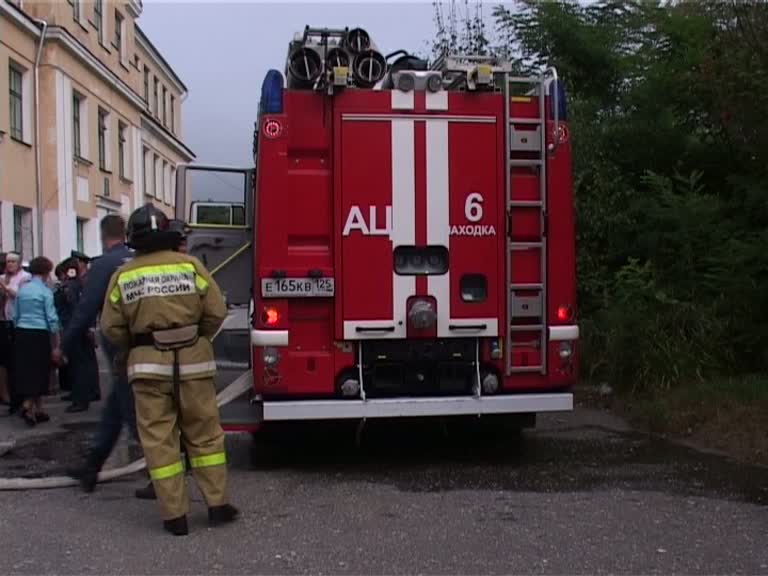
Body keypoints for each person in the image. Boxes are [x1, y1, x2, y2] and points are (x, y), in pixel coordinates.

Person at [101, 204, 237, 536]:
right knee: (205, 435)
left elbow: (111, 327)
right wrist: (197, 338)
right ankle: (217, 505)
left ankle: (175, 517)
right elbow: (216, 311)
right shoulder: (190, 266)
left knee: (159, 441)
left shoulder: (124, 275)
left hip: (147, 366)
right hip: (194, 363)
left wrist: (137, 345)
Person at [65, 216, 139, 491]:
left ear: (102, 235)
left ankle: (163, 473)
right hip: (143, 341)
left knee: (130, 405)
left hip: (118, 343)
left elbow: (86, 309)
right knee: (117, 404)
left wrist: (63, 345)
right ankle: (92, 465)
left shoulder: (104, 265)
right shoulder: (138, 259)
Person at [12, 257, 61, 426]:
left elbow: (15, 314)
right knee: (40, 371)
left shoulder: (22, 291)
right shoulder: (45, 292)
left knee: (27, 370)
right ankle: (28, 405)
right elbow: (51, 318)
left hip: (22, 332)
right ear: (46, 272)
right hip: (39, 333)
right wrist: (56, 342)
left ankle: (39, 409)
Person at [59, 253, 100, 412]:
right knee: (81, 364)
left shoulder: (71, 287)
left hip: (74, 329)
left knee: (79, 366)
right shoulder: (78, 285)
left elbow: (75, 309)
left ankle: (81, 398)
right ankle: (81, 394)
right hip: (79, 328)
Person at [1, 252, 31, 414]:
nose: (10, 264)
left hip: (20, 323)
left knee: (19, 362)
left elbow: (20, 296)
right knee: (8, 363)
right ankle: (12, 399)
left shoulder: (25, 277)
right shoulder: (4, 278)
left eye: (13, 261)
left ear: (19, 263)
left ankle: (22, 399)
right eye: (8, 261)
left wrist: (5, 288)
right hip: (6, 322)